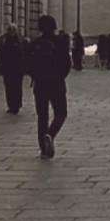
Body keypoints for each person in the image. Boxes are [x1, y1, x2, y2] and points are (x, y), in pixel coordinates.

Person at [26, 14, 71, 159]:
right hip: (56, 83)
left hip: (40, 84)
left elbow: (26, 63)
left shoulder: (35, 43)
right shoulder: (60, 42)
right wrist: (59, 76)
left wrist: (36, 75)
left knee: (42, 116)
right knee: (61, 113)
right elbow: (67, 64)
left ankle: (43, 150)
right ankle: (50, 134)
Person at [0, 24, 25, 114]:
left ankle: (17, 105)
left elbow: (25, 53)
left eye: (13, 30)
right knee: (9, 87)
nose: (11, 31)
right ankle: (11, 105)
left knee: (17, 87)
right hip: (7, 68)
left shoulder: (21, 40)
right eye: (10, 30)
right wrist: (2, 62)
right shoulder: (3, 40)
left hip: (18, 68)